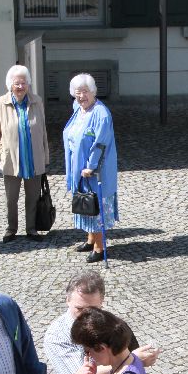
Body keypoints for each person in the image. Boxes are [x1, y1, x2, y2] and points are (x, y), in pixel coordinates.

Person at [0, 64, 50, 243]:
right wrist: (0, 153)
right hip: (11, 160)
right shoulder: (0, 103)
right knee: (11, 199)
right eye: (17, 83)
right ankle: (11, 228)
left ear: (28, 84)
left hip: (33, 158)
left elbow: (43, 131)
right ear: (10, 85)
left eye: (23, 83)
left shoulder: (37, 101)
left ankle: (31, 229)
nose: (20, 87)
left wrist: (45, 155)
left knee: (33, 197)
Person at [63, 73, 118, 263]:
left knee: (97, 206)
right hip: (78, 166)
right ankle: (90, 239)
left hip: (94, 169)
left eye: (85, 92)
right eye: (78, 92)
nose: (81, 96)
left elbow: (101, 143)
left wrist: (91, 166)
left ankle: (99, 247)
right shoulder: (78, 108)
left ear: (93, 91)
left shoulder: (101, 114)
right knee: (86, 203)